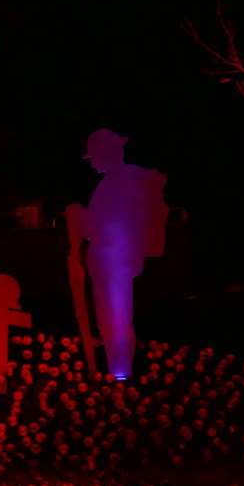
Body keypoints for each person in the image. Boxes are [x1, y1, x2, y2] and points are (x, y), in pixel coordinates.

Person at [65, 130, 167, 380]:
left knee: (116, 320)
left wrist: (79, 217)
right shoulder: (113, 182)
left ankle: (120, 373)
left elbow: (109, 223)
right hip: (106, 260)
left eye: (95, 157)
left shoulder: (127, 180)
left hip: (114, 261)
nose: (92, 163)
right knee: (110, 320)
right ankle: (117, 370)